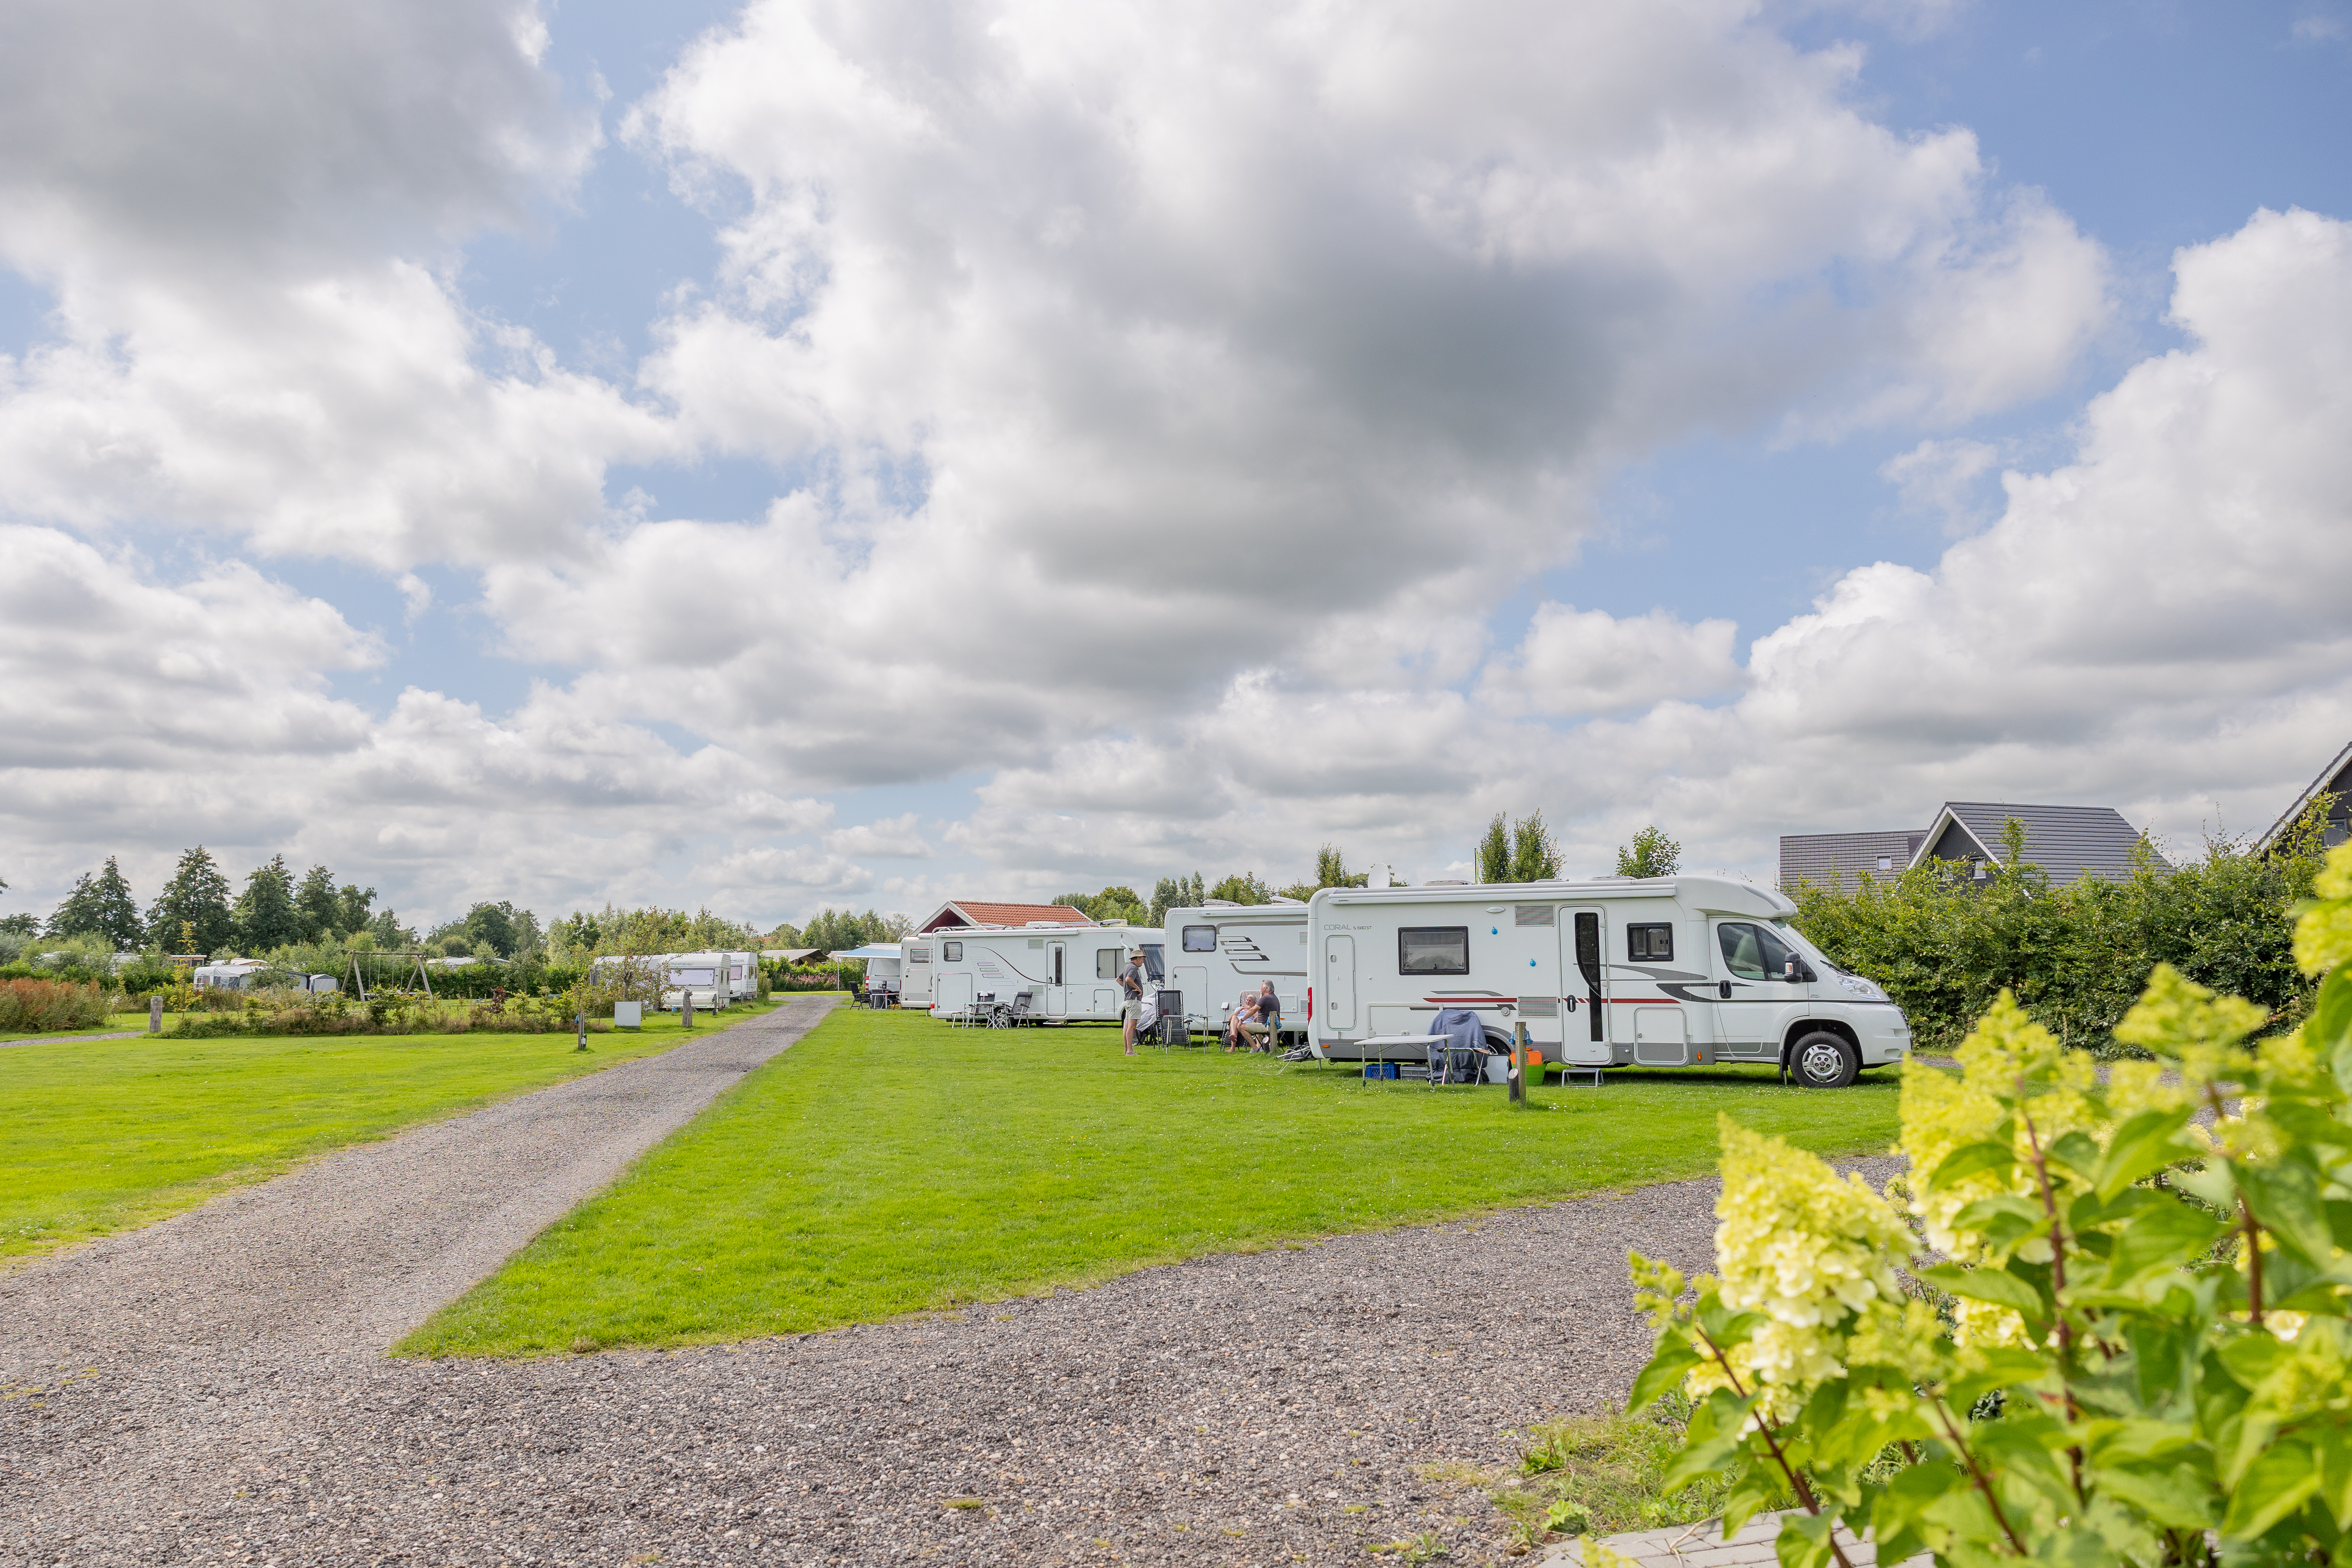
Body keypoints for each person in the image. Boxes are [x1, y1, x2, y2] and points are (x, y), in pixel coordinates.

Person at [1118, 947, 1148, 1056]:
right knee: (1132, 1026)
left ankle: (1127, 1050)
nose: (1143, 962)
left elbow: (1119, 979)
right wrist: (1138, 989)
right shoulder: (1134, 968)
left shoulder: (1128, 967)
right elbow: (1128, 980)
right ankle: (1130, 1051)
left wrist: (1127, 988)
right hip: (1134, 1000)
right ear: (1138, 958)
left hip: (1128, 999)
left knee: (1127, 1026)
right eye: (1142, 959)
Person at [1242, 980, 1282, 1052]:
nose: (1260, 989)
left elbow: (1253, 1010)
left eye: (1261, 987)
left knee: (1241, 1027)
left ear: (1266, 988)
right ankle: (1259, 1047)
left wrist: (1242, 1020)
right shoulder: (1275, 998)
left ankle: (1255, 1049)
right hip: (1274, 1026)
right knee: (1256, 1025)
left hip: (1265, 1026)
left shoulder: (1265, 998)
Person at [1223, 988, 1256, 1052]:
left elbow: (1257, 1018)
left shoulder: (1254, 1010)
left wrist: (1251, 1010)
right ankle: (1234, 1036)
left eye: (1250, 1001)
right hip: (1236, 1026)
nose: (1248, 1002)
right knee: (1234, 1017)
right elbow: (1229, 1019)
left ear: (1254, 1003)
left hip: (1245, 1026)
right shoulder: (1239, 1008)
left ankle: (1233, 1048)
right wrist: (1239, 1011)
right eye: (1247, 1000)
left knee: (1234, 1028)